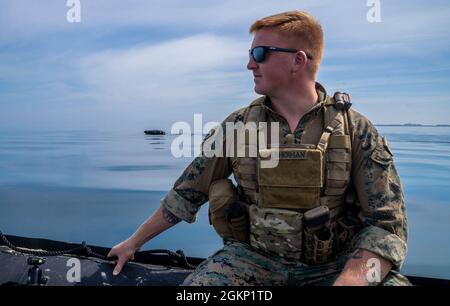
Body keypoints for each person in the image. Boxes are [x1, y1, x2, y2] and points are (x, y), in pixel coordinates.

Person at [108, 10, 410, 286]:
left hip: (335, 266)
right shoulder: (237, 126)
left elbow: (386, 227)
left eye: (260, 53)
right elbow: (187, 194)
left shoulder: (356, 131)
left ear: (298, 60)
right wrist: (134, 243)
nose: (250, 64)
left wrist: (349, 282)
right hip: (253, 262)